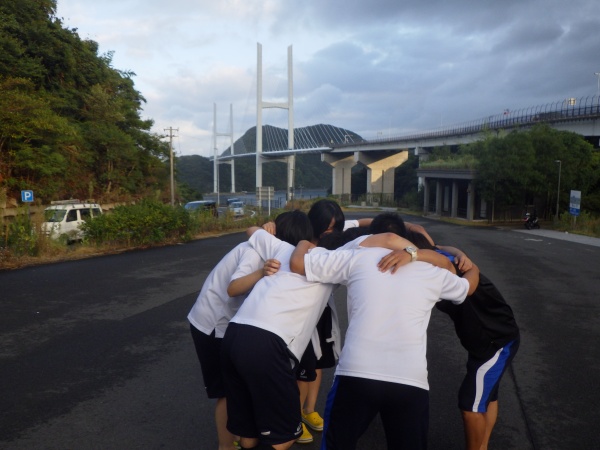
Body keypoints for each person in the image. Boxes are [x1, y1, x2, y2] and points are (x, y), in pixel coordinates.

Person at [290, 232, 480, 449]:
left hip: (356, 372)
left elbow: (300, 264)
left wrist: (303, 241)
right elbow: (468, 286)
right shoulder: (431, 271)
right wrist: (472, 265)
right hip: (410, 379)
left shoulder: (358, 257)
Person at [370, 212, 520, 450]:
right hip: (487, 337)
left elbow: (463, 281)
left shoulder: (437, 268)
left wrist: (467, 264)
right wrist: (460, 253)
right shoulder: (433, 250)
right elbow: (423, 232)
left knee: (470, 406)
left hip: (496, 341)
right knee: (486, 396)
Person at [221, 210, 342, 450]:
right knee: (285, 435)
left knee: (249, 434)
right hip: (268, 343)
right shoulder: (335, 263)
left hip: (234, 334)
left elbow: (251, 231)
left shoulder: (281, 248)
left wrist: (267, 227)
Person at [188, 241, 280, 450]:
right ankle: (226, 446)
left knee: (236, 385)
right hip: (212, 325)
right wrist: (261, 272)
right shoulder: (255, 254)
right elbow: (233, 288)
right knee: (226, 391)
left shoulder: (263, 246)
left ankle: (237, 435)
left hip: (223, 323)